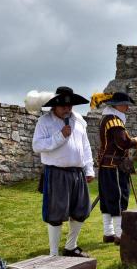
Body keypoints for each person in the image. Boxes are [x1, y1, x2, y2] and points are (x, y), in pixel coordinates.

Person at [32, 86, 94, 257]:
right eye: (63, 106)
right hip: (56, 173)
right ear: (55, 106)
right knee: (55, 213)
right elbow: (37, 146)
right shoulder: (45, 122)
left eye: (70, 106)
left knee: (81, 211)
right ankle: (53, 254)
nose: (67, 109)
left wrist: (89, 169)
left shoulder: (79, 121)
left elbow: (85, 147)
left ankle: (71, 247)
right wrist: (60, 136)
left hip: (77, 173)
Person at [96, 92, 137, 245]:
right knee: (118, 198)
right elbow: (123, 142)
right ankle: (119, 235)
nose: (127, 107)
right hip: (114, 166)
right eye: (125, 104)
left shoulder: (107, 118)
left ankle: (108, 233)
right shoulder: (114, 121)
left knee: (107, 199)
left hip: (107, 165)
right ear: (116, 105)